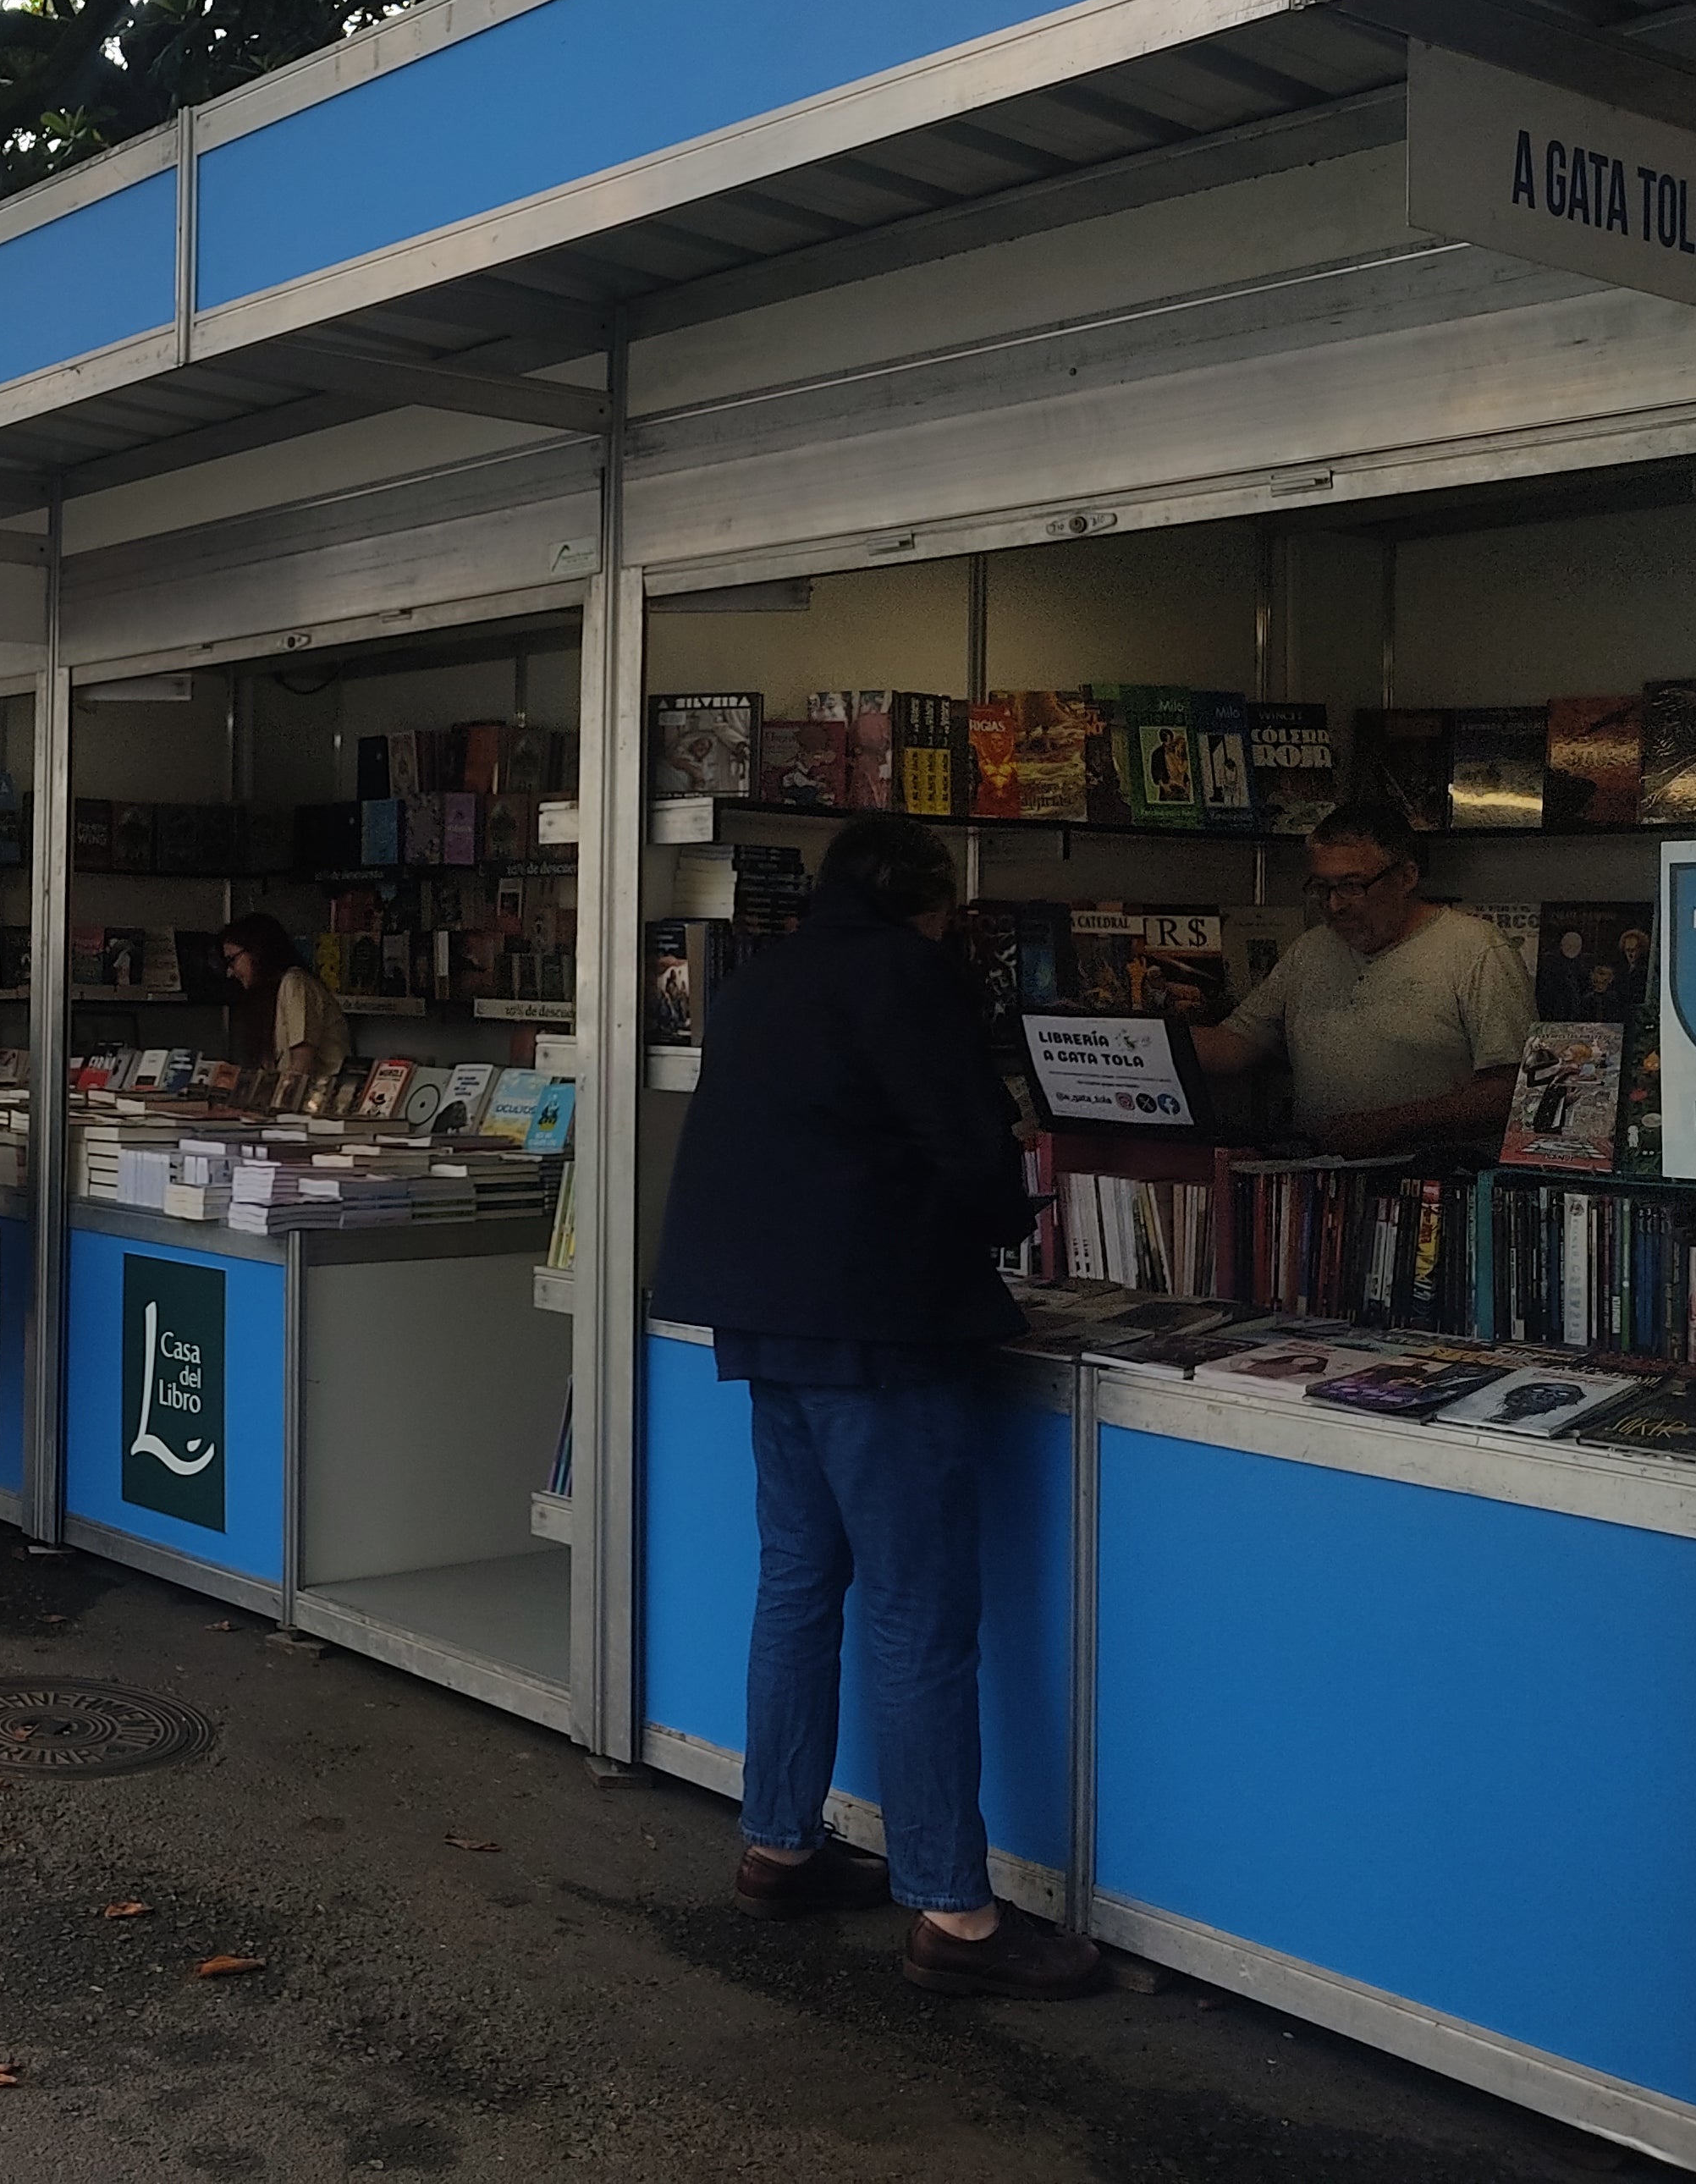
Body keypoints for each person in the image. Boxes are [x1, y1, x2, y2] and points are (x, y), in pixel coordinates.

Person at [650, 814, 1103, 2003]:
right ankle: (954, 1910)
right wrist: (1008, 1222)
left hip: (764, 1321)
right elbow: (969, 1147)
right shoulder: (910, 971)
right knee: (918, 1615)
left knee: (798, 1583)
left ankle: (781, 1843)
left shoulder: (768, 974)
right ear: (932, 903)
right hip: (878, 1330)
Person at [1192, 800, 1534, 1154]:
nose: (1334, 905)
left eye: (1352, 886)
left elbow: (1511, 1091)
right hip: (1319, 1181)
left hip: (1433, 1185)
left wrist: (1387, 1126)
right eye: (1321, 888)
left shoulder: (1476, 949)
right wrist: (1140, 1045)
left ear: (1406, 877)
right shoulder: (1311, 949)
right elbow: (1236, 1044)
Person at [219, 910, 349, 1092]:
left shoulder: (295, 984)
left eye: (232, 960)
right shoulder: (270, 995)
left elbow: (301, 1064)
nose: (231, 972)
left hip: (319, 1099)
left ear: (257, 952)